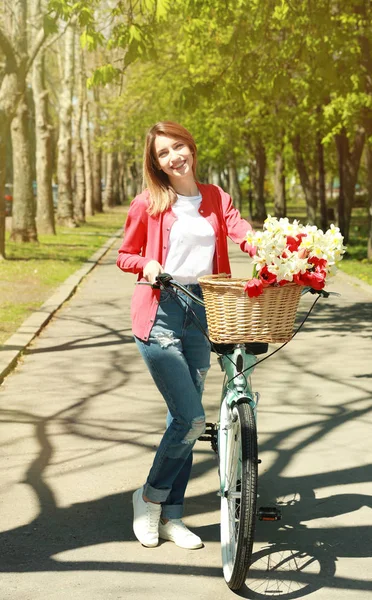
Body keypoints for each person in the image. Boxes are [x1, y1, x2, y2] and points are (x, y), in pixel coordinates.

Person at [117, 121, 253, 550]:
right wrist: (147, 265)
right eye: (163, 153)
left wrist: (277, 248)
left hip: (203, 309)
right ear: (155, 163)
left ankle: (172, 517)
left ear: (191, 148)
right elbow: (125, 254)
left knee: (184, 420)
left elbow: (241, 232)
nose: (174, 156)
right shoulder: (148, 202)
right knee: (192, 418)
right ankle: (149, 499)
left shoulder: (215, 197)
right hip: (160, 309)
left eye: (178, 146)